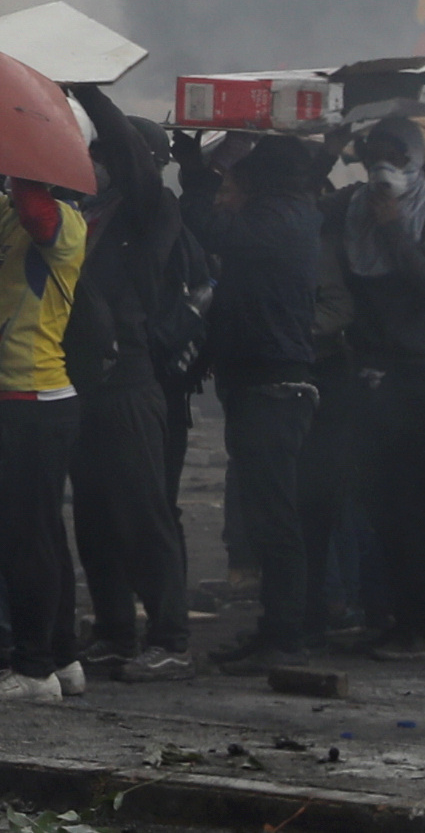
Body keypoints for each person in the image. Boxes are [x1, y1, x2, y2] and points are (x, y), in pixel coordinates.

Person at [64, 86, 188, 676]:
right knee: (94, 515)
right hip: (86, 381)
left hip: (130, 380)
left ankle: (171, 639)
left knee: (142, 514)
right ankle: (115, 630)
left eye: (104, 151)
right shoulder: (86, 213)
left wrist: (87, 89)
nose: (94, 160)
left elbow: (132, 159)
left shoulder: (149, 208)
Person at [191, 133, 322, 665]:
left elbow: (211, 227)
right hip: (262, 382)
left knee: (273, 517)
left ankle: (285, 637)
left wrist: (198, 175)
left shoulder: (279, 220)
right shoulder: (291, 213)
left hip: (272, 385)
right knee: (266, 514)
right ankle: (278, 631)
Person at [0, 160, 91, 701]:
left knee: (24, 538)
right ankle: (61, 659)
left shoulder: (64, 219)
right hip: (17, 399)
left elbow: (38, 210)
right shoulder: (9, 216)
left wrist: (20, 158)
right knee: (39, 536)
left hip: (34, 399)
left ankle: (35, 670)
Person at [320, 117, 425, 653]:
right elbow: (306, 210)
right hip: (371, 374)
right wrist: (326, 154)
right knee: (379, 502)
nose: (384, 169)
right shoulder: (352, 208)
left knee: (411, 504)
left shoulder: (412, 215)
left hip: (415, 376)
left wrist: (394, 229)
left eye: (397, 158)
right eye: (373, 156)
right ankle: (387, 610)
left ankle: (413, 622)